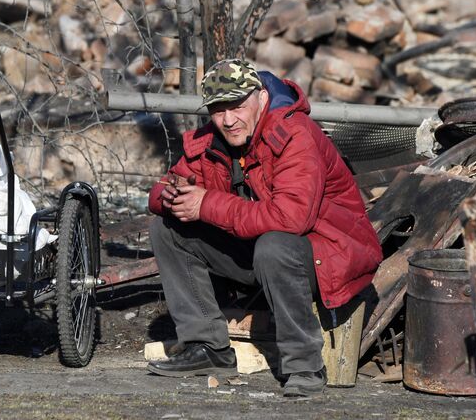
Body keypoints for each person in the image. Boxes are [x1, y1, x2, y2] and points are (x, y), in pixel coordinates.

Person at [146, 58, 382, 397]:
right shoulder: (213, 138)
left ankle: (305, 366)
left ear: (260, 98)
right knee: (168, 230)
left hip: (330, 253)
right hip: (262, 252)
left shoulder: (294, 134)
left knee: (275, 245)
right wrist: (170, 196)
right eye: (218, 110)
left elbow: (292, 218)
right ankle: (208, 348)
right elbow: (162, 187)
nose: (228, 120)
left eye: (237, 106)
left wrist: (206, 204)